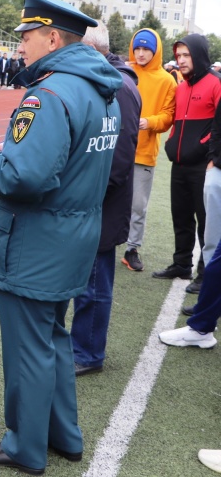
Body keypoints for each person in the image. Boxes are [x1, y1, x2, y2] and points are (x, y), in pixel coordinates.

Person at [0, 0, 121, 476]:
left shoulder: (50, 93)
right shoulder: (103, 89)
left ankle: (25, 447)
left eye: (27, 36)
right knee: (53, 338)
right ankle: (64, 437)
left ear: (52, 38)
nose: (21, 46)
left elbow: (23, 177)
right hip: (75, 234)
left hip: (38, 240)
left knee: (28, 348)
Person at [70, 21, 141, 376]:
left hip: (102, 204)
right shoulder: (109, 79)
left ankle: (87, 352)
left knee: (95, 283)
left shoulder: (121, 87)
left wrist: (88, 195)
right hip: (94, 202)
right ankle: (82, 346)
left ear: (91, 49)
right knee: (87, 279)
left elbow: (119, 157)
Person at [152, 34, 221, 296]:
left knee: (207, 223)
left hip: (204, 166)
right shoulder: (180, 87)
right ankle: (182, 264)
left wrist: (207, 153)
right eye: (178, 55)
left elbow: (218, 127)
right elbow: (177, 124)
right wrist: (172, 144)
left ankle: (205, 274)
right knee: (180, 217)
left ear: (199, 55)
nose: (180, 60)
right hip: (179, 164)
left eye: (186, 55)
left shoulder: (216, 84)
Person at [121, 29, 176, 274]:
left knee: (138, 206)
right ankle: (100, 243)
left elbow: (168, 116)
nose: (141, 53)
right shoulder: (124, 72)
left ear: (155, 52)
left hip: (144, 152)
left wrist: (149, 122)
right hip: (116, 149)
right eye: (138, 48)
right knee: (106, 197)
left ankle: (132, 249)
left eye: (146, 49)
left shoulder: (167, 80)